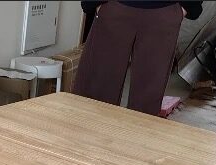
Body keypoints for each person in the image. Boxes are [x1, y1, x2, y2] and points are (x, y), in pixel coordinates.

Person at [74, 1, 203, 115]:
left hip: (163, 11)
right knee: (97, 92)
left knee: (146, 104)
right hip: (116, 8)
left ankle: (137, 134)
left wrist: (187, 6)